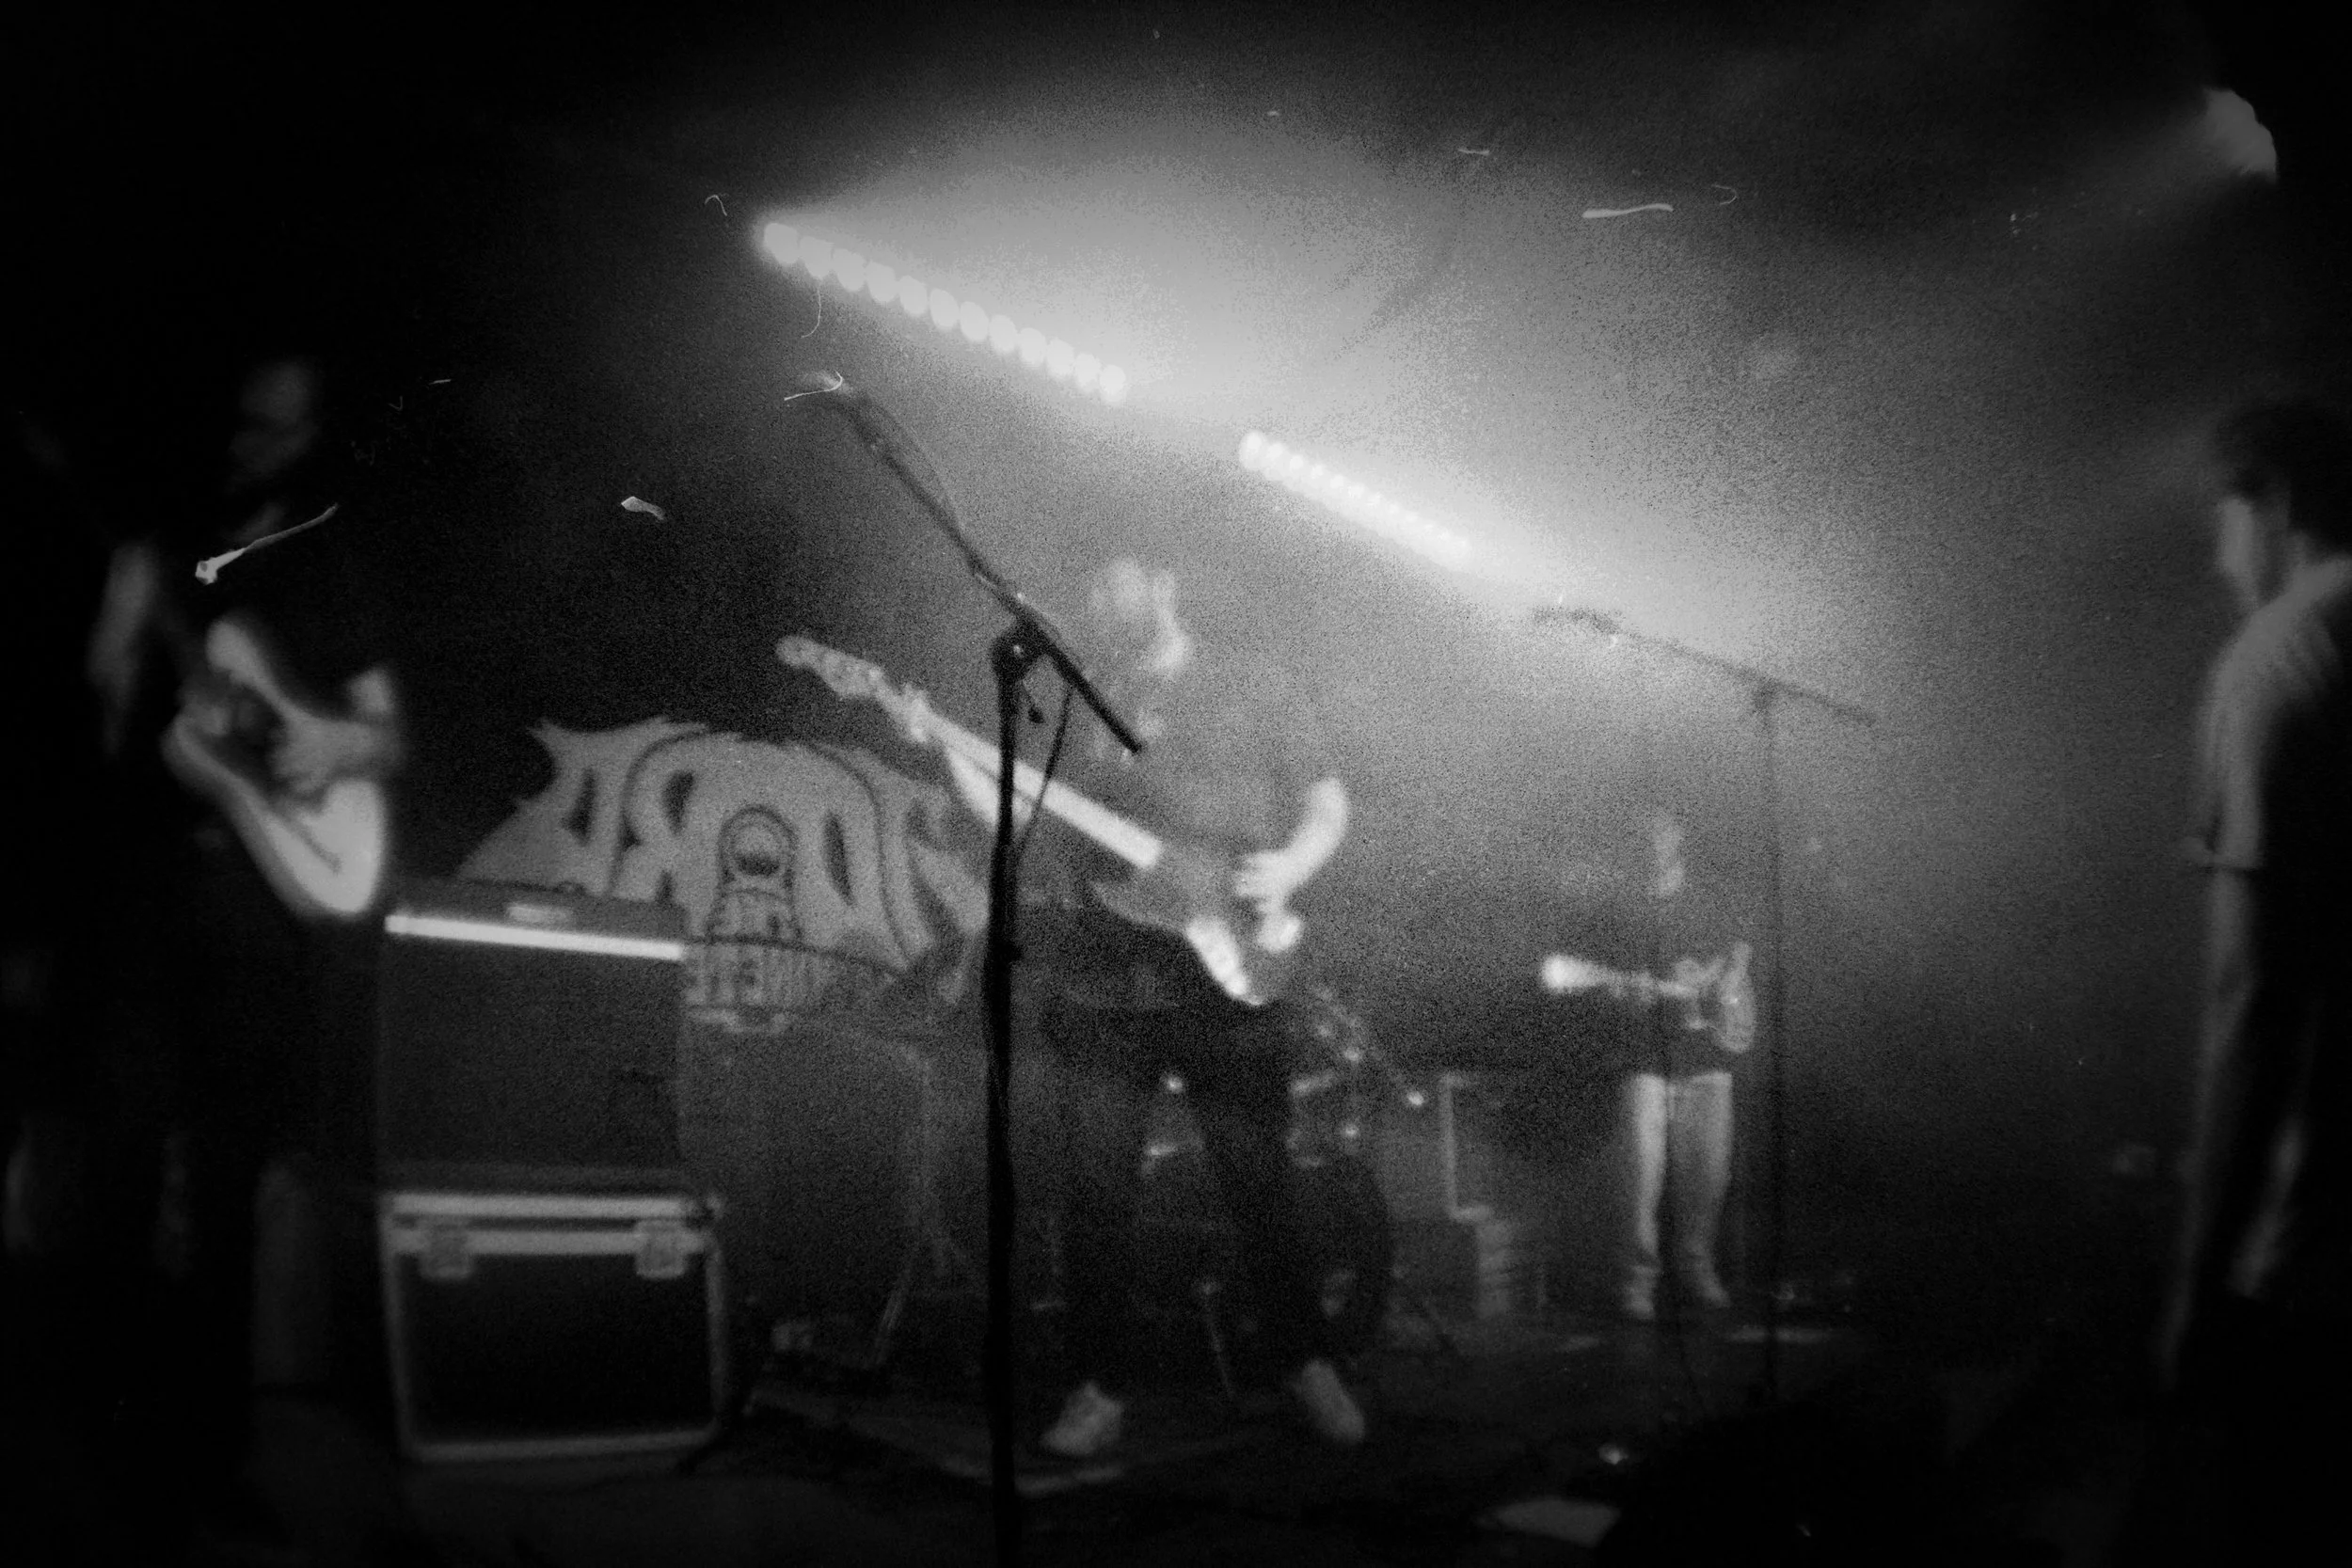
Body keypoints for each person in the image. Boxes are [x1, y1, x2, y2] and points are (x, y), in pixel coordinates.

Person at [80, 353, 410, 1537]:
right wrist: (115, 652)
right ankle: (111, 1450)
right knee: (121, 1158)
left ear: (308, 434)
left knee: (228, 1182)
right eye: (241, 422)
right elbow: (110, 729)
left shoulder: (326, 559)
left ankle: (214, 1458)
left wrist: (334, 746)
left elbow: (386, 735)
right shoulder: (164, 550)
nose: (251, 444)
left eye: (275, 427)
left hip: (259, 916)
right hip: (148, 900)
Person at [939, 556, 1367, 1459]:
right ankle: (1100, 1386)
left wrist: (1292, 865)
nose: (1100, 597)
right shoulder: (1087, 703)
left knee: (1258, 1179)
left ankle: (1305, 1361)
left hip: (1233, 968)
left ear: (1167, 581)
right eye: (1091, 585)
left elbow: (1328, 800)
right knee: (1096, 1191)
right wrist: (939, 739)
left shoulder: (1250, 682)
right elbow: (1023, 818)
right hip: (1110, 979)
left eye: (1117, 579)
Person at [2147, 395, 2352, 1559]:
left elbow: (2252, 1002)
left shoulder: (2280, 654)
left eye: (2219, 526)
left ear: (2269, 500)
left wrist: (2195, 1287)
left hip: (2317, 1267)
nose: (2221, 562)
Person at [1609, 811, 1754, 1323]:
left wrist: (1724, 981)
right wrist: (1628, 995)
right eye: (1645, 829)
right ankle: (1637, 1283)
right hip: (1648, 1055)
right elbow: (1619, 986)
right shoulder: (1626, 907)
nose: (1654, 838)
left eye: (1662, 828)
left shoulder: (1709, 896)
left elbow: (1740, 946)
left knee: (1709, 1173)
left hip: (1707, 1055)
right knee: (1640, 1174)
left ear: (1678, 834)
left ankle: (1698, 1268)